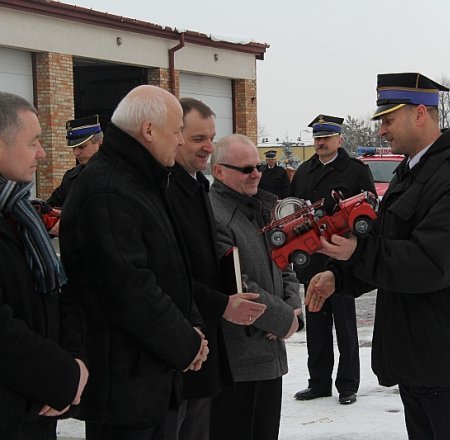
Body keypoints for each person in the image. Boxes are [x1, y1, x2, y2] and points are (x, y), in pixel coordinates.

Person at [305, 73, 450, 439]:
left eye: (388, 120)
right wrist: (340, 275)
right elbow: (388, 242)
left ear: (420, 114)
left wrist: (357, 252)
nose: (381, 131)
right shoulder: (413, 173)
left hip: (447, 355)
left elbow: (430, 264)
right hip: (418, 354)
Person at [59, 85, 209, 440]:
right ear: (148, 130)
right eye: (176, 133)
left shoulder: (142, 181)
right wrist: (185, 344)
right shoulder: (108, 190)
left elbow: (173, 269)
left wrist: (193, 328)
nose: (178, 142)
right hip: (125, 388)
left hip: (150, 377)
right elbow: (129, 288)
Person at [166, 98, 267, 440]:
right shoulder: (168, 191)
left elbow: (276, 261)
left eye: (211, 137)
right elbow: (174, 275)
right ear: (175, 135)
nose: (208, 146)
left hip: (205, 348)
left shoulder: (194, 187)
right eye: (198, 139)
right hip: (185, 346)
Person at [0, 91, 88, 440]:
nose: (43, 153)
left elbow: (59, 292)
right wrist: (61, 376)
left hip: (37, 408)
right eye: (34, 141)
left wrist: (76, 363)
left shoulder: (21, 214)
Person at [208, 134, 302, 440]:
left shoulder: (265, 207)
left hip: (270, 355)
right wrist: (283, 319)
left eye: (258, 166)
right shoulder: (215, 214)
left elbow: (284, 261)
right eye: (246, 169)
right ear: (219, 172)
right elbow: (237, 284)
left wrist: (291, 308)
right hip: (239, 360)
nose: (257, 173)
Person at [291, 114, 376, 406]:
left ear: (339, 140)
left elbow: (368, 207)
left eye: (326, 138)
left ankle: (348, 385)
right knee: (315, 326)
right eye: (317, 138)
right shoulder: (304, 171)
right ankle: (318, 383)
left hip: (341, 262)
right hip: (312, 259)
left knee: (345, 326)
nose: (321, 143)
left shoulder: (354, 170)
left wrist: (354, 244)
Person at [46, 115, 103, 236]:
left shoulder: (119, 175)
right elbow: (51, 207)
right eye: (73, 147)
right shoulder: (71, 177)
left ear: (100, 143)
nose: (76, 153)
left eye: (82, 146)